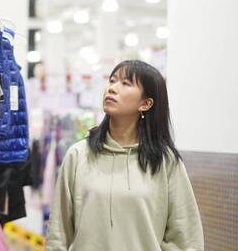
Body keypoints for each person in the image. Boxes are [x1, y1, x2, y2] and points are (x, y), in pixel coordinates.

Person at [45, 60, 204, 251]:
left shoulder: (164, 161)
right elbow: (58, 234)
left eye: (126, 83)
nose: (112, 88)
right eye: (112, 81)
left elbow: (186, 238)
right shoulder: (78, 155)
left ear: (146, 103)